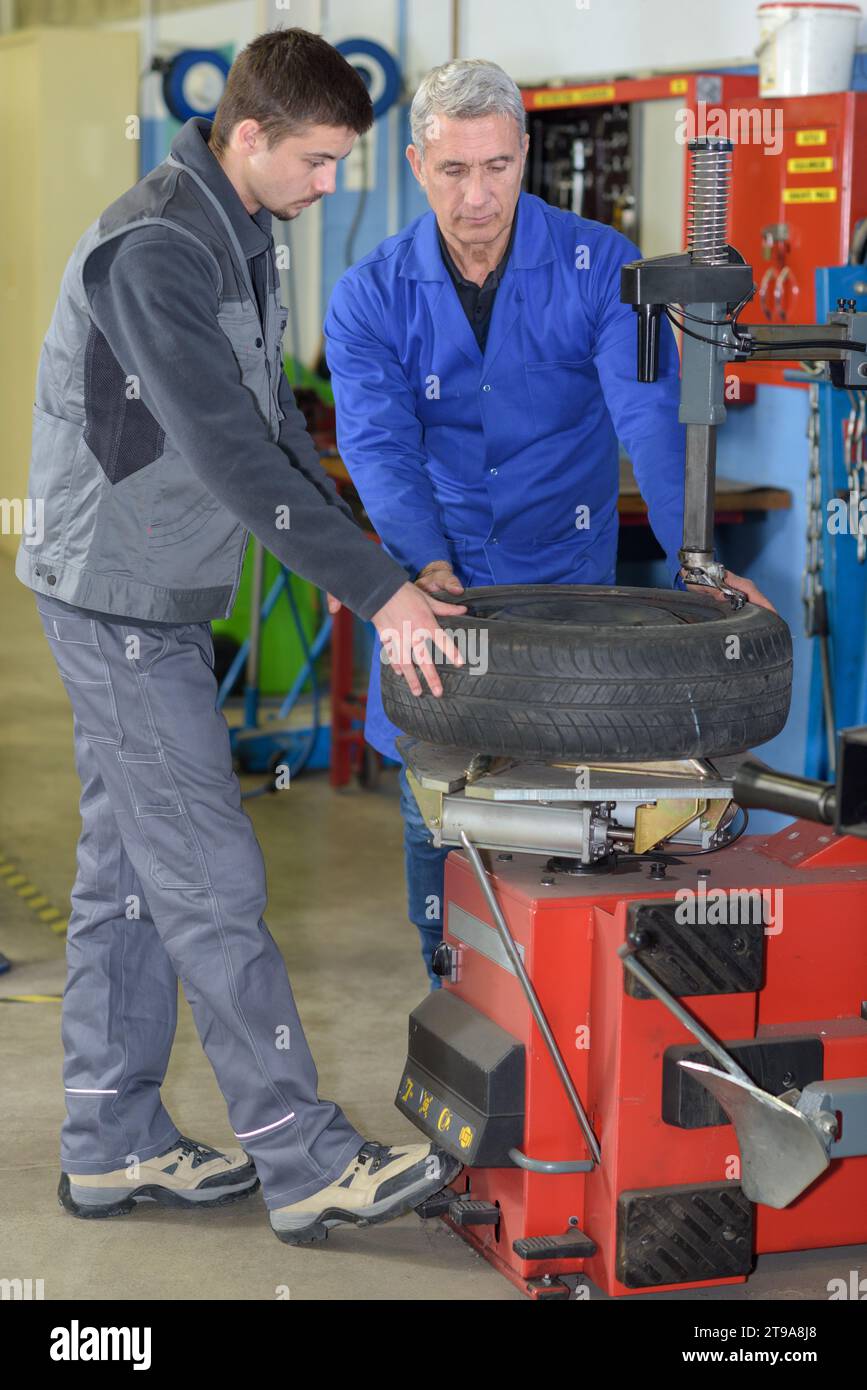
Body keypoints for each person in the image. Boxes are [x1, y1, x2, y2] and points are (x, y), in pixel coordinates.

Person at [16, 27, 464, 1247]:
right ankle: (304, 1158)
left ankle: (112, 1142)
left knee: (126, 877)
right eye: (318, 162)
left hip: (149, 590)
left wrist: (380, 567)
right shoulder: (155, 249)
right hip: (113, 600)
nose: (331, 188)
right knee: (210, 875)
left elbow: (275, 432)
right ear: (250, 136)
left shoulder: (242, 233)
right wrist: (378, 595)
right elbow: (225, 455)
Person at [325, 59, 771, 989]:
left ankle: (560, 996)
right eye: (454, 172)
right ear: (416, 164)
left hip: (565, 580)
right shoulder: (369, 295)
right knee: (434, 804)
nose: (478, 195)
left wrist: (698, 559)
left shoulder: (598, 265)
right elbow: (379, 448)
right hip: (436, 580)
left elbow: (649, 414)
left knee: (570, 801)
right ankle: (450, 980)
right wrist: (423, 567)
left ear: (524, 154)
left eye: (496, 166)